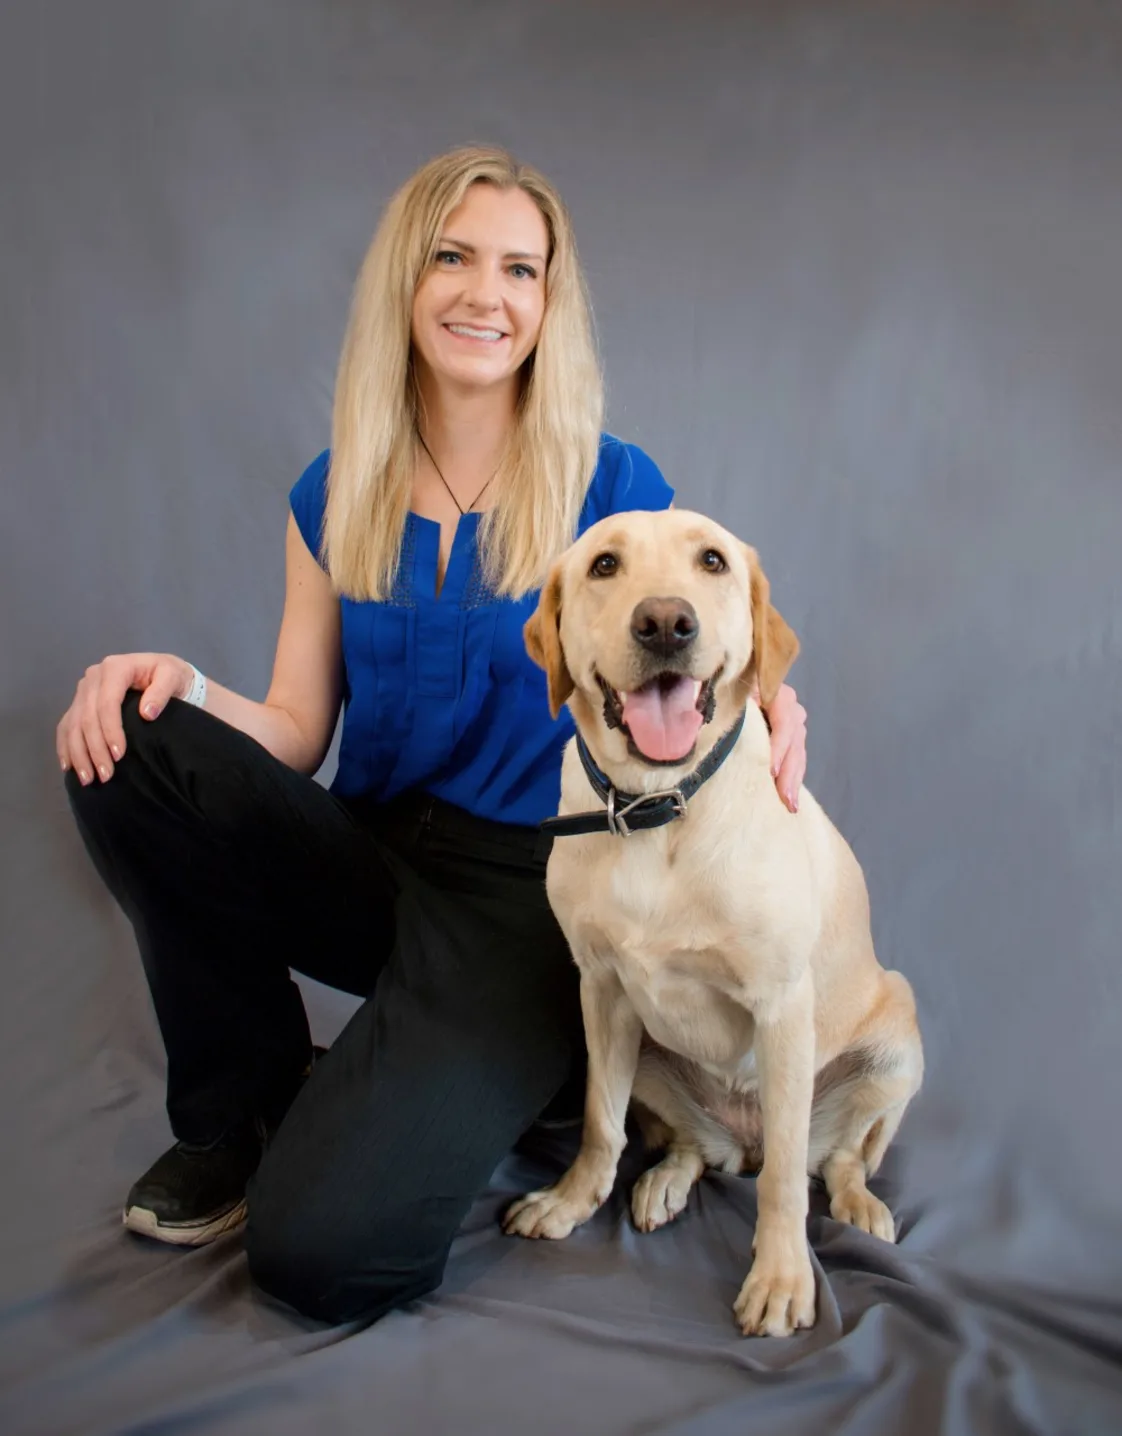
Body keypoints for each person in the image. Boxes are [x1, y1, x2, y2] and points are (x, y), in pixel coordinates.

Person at [57, 146, 809, 1325]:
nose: (484, 293)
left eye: (521, 269)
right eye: (453, 258)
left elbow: (686, 639)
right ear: (406, 282)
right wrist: (179, 682)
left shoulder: (615, 487)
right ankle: (243, 1107)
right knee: (137, 740)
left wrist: (770, 695)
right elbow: (295, 732)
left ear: (547, 304)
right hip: (372, 853)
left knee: (324, 1255)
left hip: (530, 897)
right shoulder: (335, 487)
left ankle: (521, 1070)